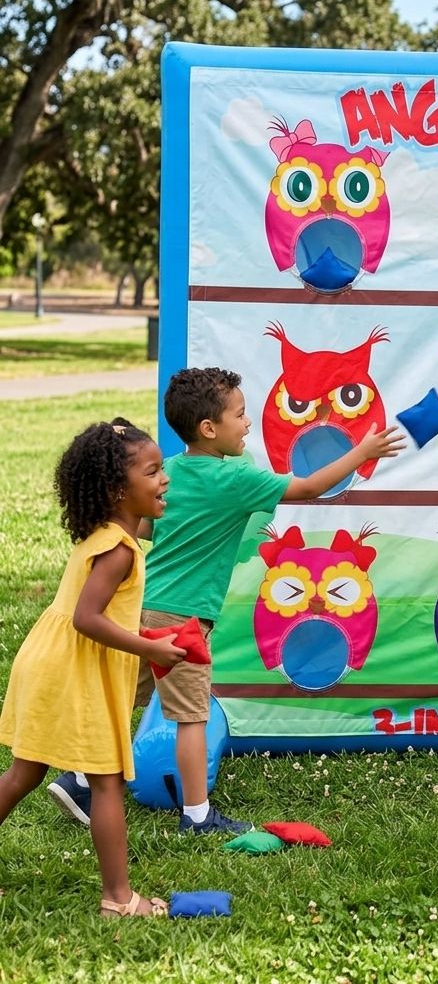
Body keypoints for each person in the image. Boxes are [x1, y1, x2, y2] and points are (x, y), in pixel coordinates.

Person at [48, 367, 405, 833]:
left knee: (120, 699)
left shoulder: (169, 473)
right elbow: (309, 488)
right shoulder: (237, 478)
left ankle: (77, 778)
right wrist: (362, 452)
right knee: (192, 716)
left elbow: (149, 528)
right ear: (209, 429)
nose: (248, 423)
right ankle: (197, 815)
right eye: (240, 415)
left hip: (139, 608)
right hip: (183, 618)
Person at [0, 420, 186, 916]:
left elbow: (99, 615)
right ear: (116, 489)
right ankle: (120, 899)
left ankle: (118, 896)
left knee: (23, 774)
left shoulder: (108, 532)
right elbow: (87, 618)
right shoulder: (119, 550)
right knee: (105, 781)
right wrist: (148, 648)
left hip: (50, 664)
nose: (164, 479)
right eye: (153, 471)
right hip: (73, 671)